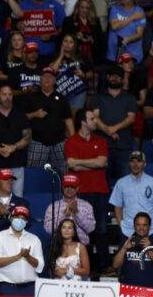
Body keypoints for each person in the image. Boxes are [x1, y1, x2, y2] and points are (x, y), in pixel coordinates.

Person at [64, 108, 111, 273]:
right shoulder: (71, 141)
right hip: (81, 191)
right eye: (92, 119)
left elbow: (102, 162)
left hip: (99, 190)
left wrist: (80, 163)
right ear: (83, 122)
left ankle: (105, 267)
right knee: (80, 231)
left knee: (102, 230)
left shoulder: (101, 140)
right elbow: (71, 163)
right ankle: (81, 266)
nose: (95, 122)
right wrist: (94, 162)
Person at [24, 67, 74, 174]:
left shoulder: (62, 98)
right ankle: (33, 191)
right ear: (40, 80)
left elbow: (68, 120)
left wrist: (73, 140)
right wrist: (35, 114)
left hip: (59, 142)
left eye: (50, 77)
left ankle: (64, 191)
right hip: (37, 141)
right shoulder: (31, 97)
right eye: (44, 76)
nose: (47, 79)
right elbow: (22, 117)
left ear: (55, 80)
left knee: (65, 172)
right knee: (33, 173)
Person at [92, 65, 137, 182]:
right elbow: (95, 117)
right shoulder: (98, 96)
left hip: (124, 146)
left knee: (125, 184)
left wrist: (113, 129)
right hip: (102, 147)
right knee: (102, 184)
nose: (114, 79)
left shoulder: (130, 98)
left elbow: (131, 118)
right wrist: (109, 131)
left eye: (118, 77)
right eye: (112, 76)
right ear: (107, 77)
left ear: (123, 80)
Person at [0, 205, 45, 295]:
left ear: (26, 222)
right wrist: (18, 256)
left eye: (23, 219)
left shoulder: (34, 239)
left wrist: (28, 256)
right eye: (17, 217)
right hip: (8, 288)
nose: (20, 221)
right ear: (11, 218)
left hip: (31, 288)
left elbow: (40, 266)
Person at [109, 151, 153, 241]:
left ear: (144, 164)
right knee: (124, 255)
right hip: (127, 230)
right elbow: (117, 206)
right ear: (129, 163)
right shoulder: (121, 183)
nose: (135, 164)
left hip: (150, 230)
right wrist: (121, 224)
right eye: (133, 161)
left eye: (139, 161)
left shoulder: (151, 182)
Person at [43, 174, 96, 245]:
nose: (69, 189)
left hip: (81, 246)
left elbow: (91, 229)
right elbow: (48, 229)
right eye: (67, 186)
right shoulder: (53, 206)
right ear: (62, 187)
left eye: (72, 187)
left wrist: (77, 214)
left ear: (77, 188)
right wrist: (64, 215)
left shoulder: (86, 205)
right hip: (60, 246)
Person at [112, 212, 153, 286]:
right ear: (134, 226)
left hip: (149, 290)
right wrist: (124, 249)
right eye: (138, 225)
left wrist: (149, 248)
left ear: (149, 227)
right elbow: (115, 265)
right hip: (129, 289)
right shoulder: (127, 241)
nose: (141, 228)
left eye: (144, 225)